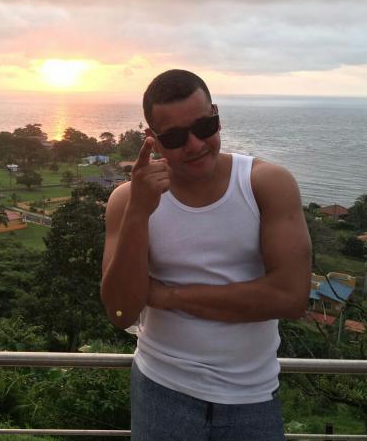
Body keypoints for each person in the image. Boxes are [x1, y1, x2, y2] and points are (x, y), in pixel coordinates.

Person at [101, 69, 312, 441]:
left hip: (252, 395)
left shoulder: (265, 184)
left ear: (217, 115)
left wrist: (167, 296)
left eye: (204, 126)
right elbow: (120, 313)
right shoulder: (127, 200)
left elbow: (291, 298)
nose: (195, 144)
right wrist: (138, 213)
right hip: (160, 388)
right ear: (152, 139)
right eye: (175, 137)